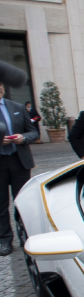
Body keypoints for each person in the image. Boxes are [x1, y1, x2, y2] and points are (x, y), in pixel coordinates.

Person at [0, 82, 39, 256]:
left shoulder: (16, 107)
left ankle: (26, 236)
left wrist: (23, 137)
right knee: (1, 204)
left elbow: (33, 132)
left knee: (22, 201)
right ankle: (4, 240)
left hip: (19, 161)